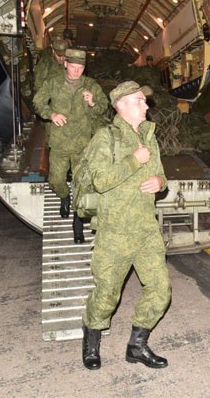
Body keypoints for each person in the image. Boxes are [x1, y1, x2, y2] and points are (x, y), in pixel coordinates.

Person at [80, 81, 171, 371]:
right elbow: (100, 180)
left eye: (145, 100)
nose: (146, 105)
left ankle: (137, 346)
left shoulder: (149, 137)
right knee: (107, 294)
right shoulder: (105, 137)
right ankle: (91, 341)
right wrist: (134, 160)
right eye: (139, 100)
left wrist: (160, 182)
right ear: (121, 105)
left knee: (160, 289)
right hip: (115, 231)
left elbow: (161, 175)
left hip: (146, 230)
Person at [33, 48, 108, 243]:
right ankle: (64, 196)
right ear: (65, 64)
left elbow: (104, 107)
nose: (76, 71)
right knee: (55, 180)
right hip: (59, 141)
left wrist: (93, 103)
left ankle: (78, 222)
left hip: (83, 144)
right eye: (73, 67)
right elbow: (38, 102)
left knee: (81, 184)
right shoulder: (53, 82)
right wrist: (51, 114)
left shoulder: (90, 85)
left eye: (80, 68)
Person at [34, 39, 68, 146]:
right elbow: (39, 87)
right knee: (52, 139)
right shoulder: (45, 64)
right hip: (51, 105)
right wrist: (49, 110)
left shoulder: (70, 62)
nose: (62, 58)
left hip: (66, 103)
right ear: (53, 51)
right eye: (59, 56)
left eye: (64, 55)